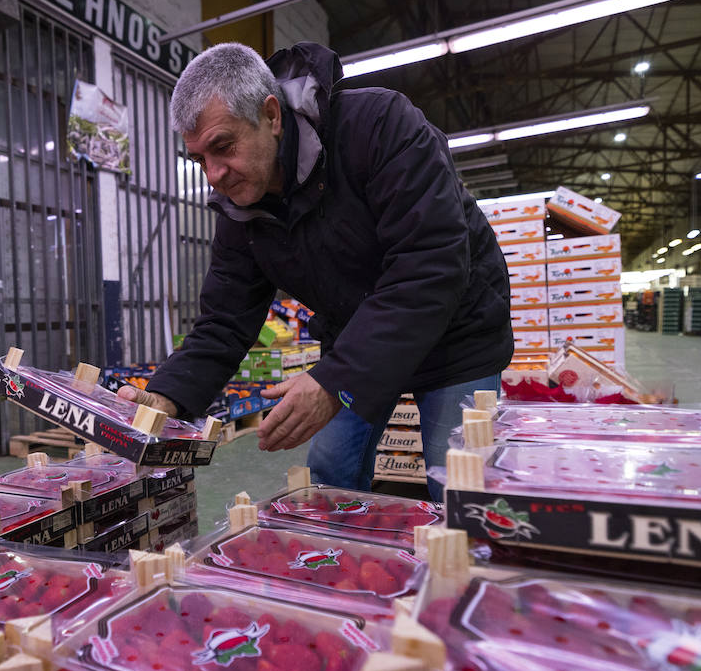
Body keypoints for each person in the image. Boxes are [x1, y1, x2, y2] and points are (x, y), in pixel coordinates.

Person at [119, 41, 513, 491]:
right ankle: (340, 558)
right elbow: (224, 322)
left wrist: (334, 382)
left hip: (458, 334)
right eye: (199, 159)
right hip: (358, 336)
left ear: (271, 116)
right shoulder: (242, 211)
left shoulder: (380, 128)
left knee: (460, 488)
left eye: (222, 147)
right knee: (330, 475)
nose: (213, 175)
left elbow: (430, 268)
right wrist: (167, 396)